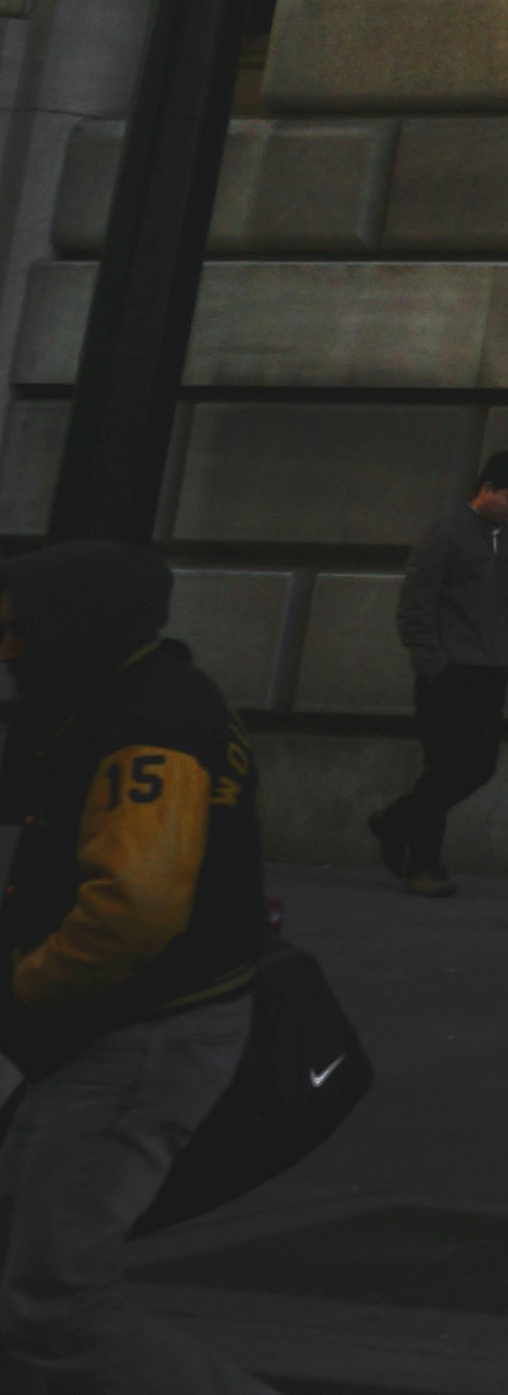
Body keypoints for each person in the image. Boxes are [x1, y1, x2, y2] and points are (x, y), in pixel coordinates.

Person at [0, 540, 278, 1395]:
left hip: (139, 1036)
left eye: (18, 630)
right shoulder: (137, 697)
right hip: (128, 1030)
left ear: (72, 629)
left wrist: (26, 986)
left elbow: (136, 906)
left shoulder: (148, 726)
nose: (7, 649)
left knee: (52, 1306)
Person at [369, 447, 508, 897]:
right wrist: (432, 662)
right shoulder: (445, 535)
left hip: (491, 669)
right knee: (442, 768)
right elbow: (415, 604)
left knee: (478, 766)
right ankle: (423, 866)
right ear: (487, 488)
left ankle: (393, 822)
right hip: (448, 670)